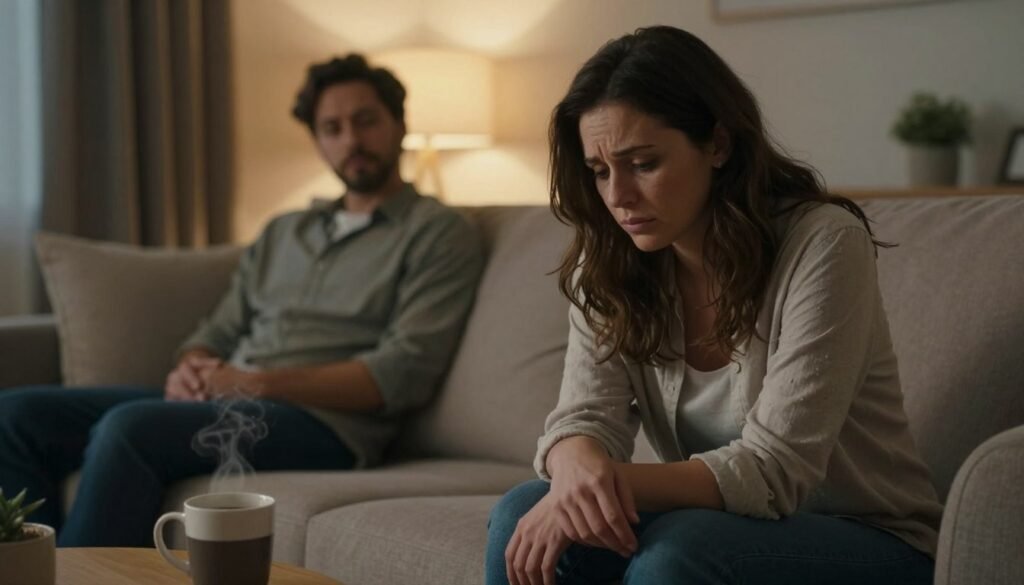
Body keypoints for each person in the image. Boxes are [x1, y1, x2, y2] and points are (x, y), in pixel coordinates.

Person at [485, 26, 942, 585]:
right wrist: (573, 464)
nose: (617, 197)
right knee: (519, 514)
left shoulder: (823, 243)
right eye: (600, 171)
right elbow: (586, 418)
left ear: (718, 145)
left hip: (871, 538)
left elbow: (775, 470)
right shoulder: (610, 260)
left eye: (643, 163)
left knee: (680, 552)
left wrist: (598, 483)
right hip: (719, 523)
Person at [0, 54, 484, 547]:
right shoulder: (284, 231)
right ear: (317, 142)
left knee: (130, 428)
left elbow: (402, 373)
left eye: (365, 121)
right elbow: (217, 331)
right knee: (18, 415)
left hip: (325, 425)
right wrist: (192, 367)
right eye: (332, 128)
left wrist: (256, 382)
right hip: (229, 399)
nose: (351, 141)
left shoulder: (437, 232)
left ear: (399, 124)